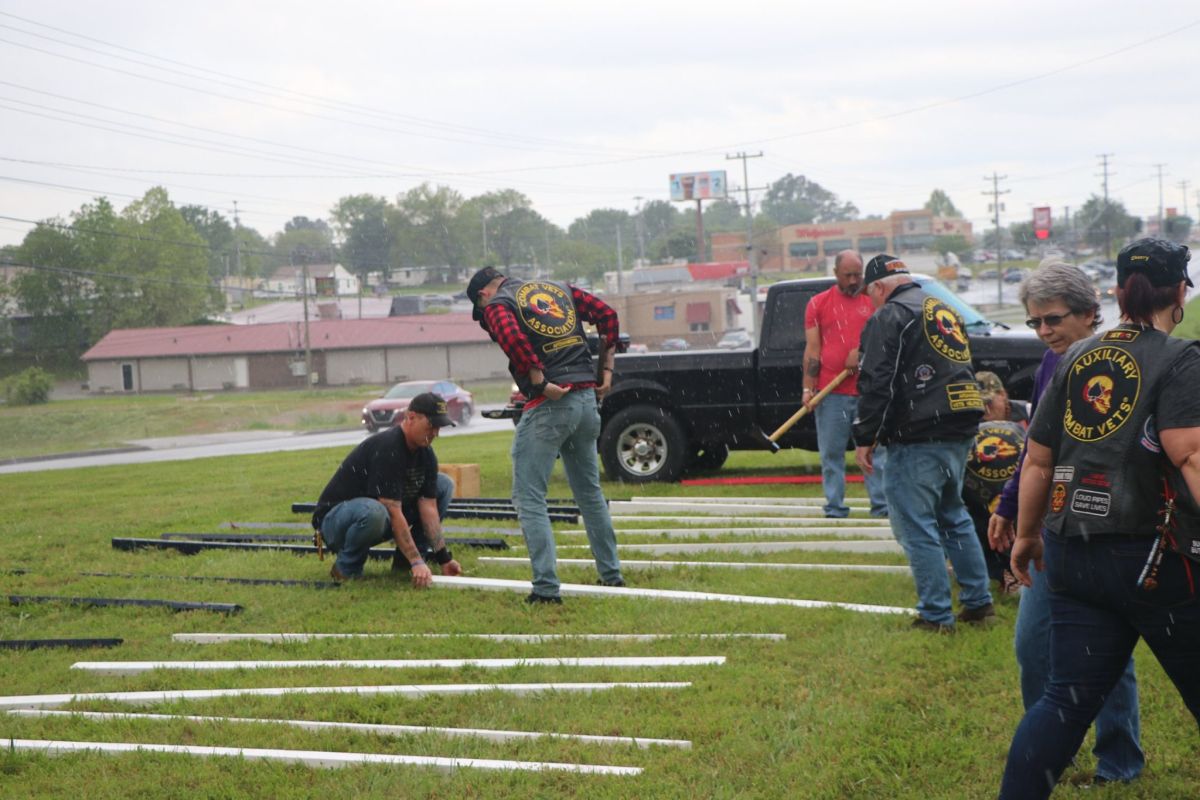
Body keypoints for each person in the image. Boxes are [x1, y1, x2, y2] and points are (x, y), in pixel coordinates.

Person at [998, 238, 1200, 799]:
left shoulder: (1074, 358)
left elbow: (1038, 461)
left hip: (1073, 555)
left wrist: (1027, 535)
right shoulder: (1181, 358)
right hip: (1154, 560)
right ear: (1179, 292)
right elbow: (1189, 455)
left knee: (1063, 702)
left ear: (1115, 293)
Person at [987, 261, 1144, 785]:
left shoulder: (1122, 361)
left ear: (1089, 312)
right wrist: (1011, 507)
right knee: (1032, 646)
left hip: (1107, 528)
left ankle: (1118, 762)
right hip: (1052, 526)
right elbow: (1036, 450)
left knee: (1106, 653)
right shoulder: (1051, 364)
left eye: (1052, 319)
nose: (1044, 331)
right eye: (1034, 322)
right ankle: (1051, 748)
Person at [852, 254, 994, 632]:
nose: (870, 302)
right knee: (953, 516)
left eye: (869, 294)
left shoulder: (890, 315)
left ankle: (935, 614)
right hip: (960, 422)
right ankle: (978, 601)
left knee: (916, 525)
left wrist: (865, 435)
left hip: (918, 430)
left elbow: (877, 380)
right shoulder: (942, 308)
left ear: (879, 287)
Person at [466, 266, 624, 604]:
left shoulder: (498, 304)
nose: (486, 318)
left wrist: (539, 381)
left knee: (529, 496)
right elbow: (607, 316)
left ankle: (546, 589)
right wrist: (606, 371)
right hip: (586, 400)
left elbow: (513, 339)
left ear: (482, 295)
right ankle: (612, 574)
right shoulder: (559, 289)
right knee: (589, 493)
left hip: (550, 404)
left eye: (481, 310)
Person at [311, 392, 463, 585]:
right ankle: (346, 569)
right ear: (411, 417)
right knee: (375, 511)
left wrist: (444, 558)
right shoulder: (388, 448)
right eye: (431, 426)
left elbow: (429, 509)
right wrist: (416, 561)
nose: (435, 433)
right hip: (335, 523)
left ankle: (405, 565)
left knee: (443, 485)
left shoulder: (426, 454)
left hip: (376, 518)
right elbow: (393, 511)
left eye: (438, 427)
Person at [803, 250, 888, 518]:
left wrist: (860, 352)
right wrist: (808, 388)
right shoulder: (818, 303)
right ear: (835, 273)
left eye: (857, 275)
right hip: (831, 394)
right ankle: (835, 507)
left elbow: (886, 339)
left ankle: (881, 506)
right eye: (847, 275)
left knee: (874, 452)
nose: (853, 280)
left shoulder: (873, 301)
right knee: (831, 454)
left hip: (869, 393)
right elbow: (812, 349)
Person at [962, 371, 1023, 592]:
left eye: (989, 402)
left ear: (1003, 395)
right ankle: (994, 572)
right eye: (979, 405)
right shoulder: (966, 426)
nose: (985, 411)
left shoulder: (1031, 413)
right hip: (980, 496)